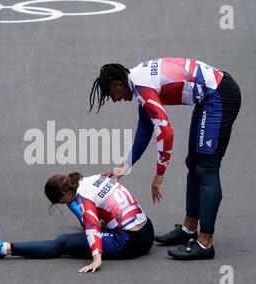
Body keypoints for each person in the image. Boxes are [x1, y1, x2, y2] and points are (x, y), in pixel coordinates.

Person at [88, 58, 241, 260]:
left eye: (111, 94)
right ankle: (189, 228)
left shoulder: (142, 86)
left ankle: (205, 243)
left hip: (220, 95)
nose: (114, 99)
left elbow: (166, 132)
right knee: (193, 163)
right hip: (208, 97)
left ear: (118, 84)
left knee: (206, 168)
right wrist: (125, 166)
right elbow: (145, 130)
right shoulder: (138, 82)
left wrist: (159, 174)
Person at [0, 172, 154, 273]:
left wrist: (96, 258)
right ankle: (85, 216)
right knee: (91, 217)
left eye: (64, 202)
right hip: (147, 228)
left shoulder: (84, 199)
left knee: (63, 242)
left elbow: (92, 227)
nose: (67, 203)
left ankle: (4, 248)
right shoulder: (93, 179)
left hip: (130, 241)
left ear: (64, 192)